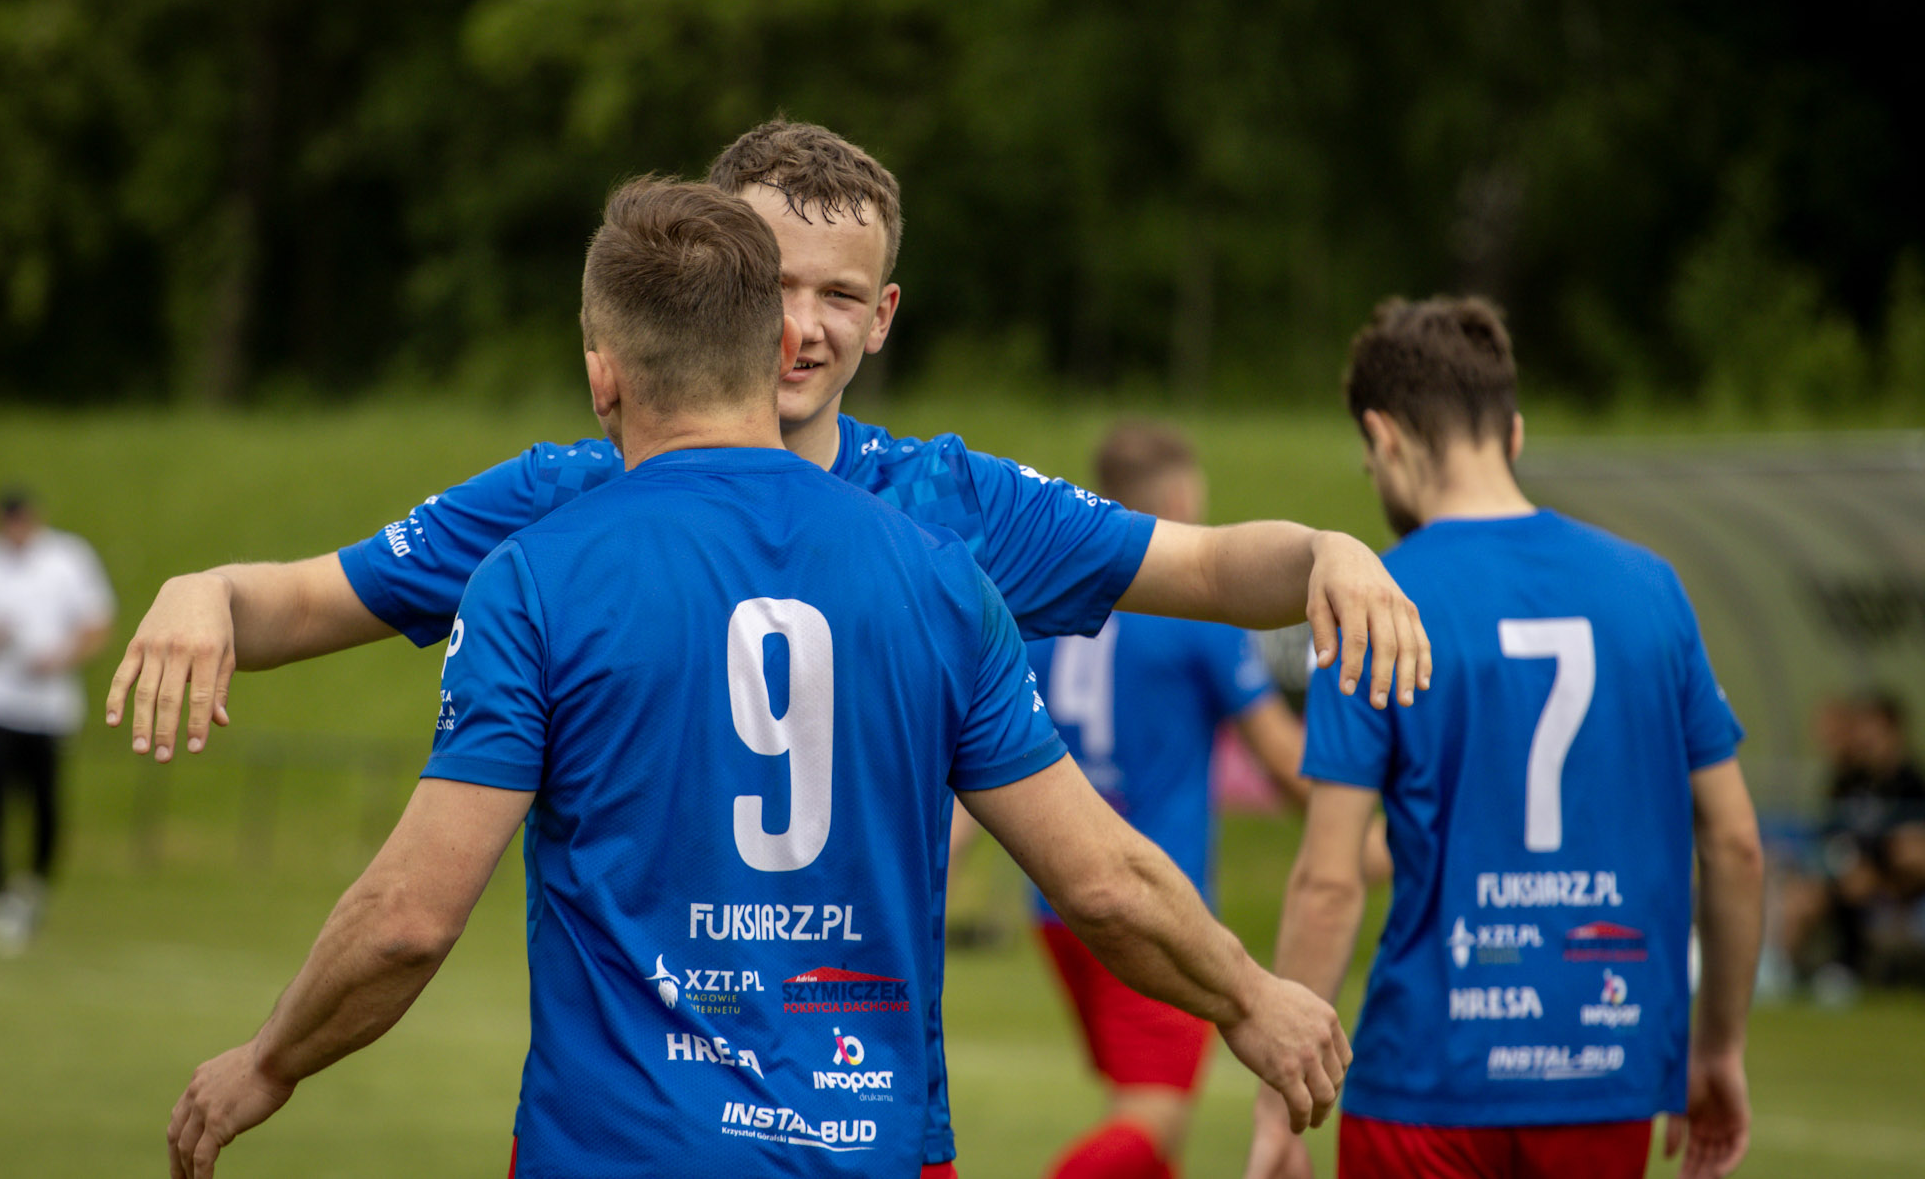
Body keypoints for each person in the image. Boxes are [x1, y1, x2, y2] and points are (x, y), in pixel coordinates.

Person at [110, 120, 1428, 1172]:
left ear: (884, 314)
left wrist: (1327, 552)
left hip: (711, 1129)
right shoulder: (566, 502)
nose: (801, 322)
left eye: (838, 294)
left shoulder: (951, 510)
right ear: (723, 290)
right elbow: (310, 599)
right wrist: (206, 590)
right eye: (777, 283)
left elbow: (1200, 567)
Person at [1242, 297, 1766, 1179]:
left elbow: (1330, 883)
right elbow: (1737, 844)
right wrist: (1716, 1048)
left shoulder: (1376, 604)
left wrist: (1276, 1111)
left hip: (1427, 1079)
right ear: (1513, 435)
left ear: (1383, 438)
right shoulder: (1651, 590)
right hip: (1605, 1069)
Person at [1019, 420, 1317, 1179]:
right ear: (1182, 500)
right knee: (1152, 1118)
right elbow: (1285, 764)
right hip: (1153, 899)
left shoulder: (1044, 607)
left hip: (1055, 904)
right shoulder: (1197, 617)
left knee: (1149, 1125)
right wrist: (1372, 823)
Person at [0, 487, 115, 956]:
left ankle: (33, 887)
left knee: (46, 806)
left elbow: (97, 625)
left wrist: (60, 659)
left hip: (49, 708)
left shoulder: (68, 559)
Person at [1777, 691, 1925, 990]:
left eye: (1874, 730)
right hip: (1849, 873)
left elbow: (1909, 844)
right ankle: (1786, 972)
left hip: (1895, 881)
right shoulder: (1849, 780)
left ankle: (1856, 966)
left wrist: (1880, 872)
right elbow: (1830, 834)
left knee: (1908, 855)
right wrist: (1848, 863)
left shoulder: (1911, 782)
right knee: (1803, 895)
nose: (1867, 739)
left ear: (1894, 733)